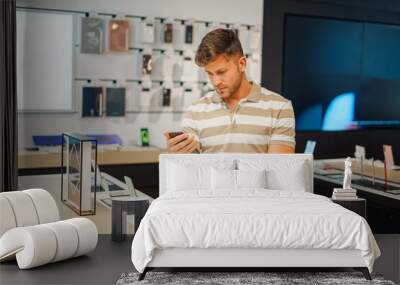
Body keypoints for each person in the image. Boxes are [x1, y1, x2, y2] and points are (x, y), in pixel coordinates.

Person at [164, 28, 295, 153]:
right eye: (210, 73)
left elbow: (278, 170)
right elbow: (192, 166)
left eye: (221, 72)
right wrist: (179, 151)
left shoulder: (280, 108)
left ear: (242, 64)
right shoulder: (196, 110)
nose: (216, 82)